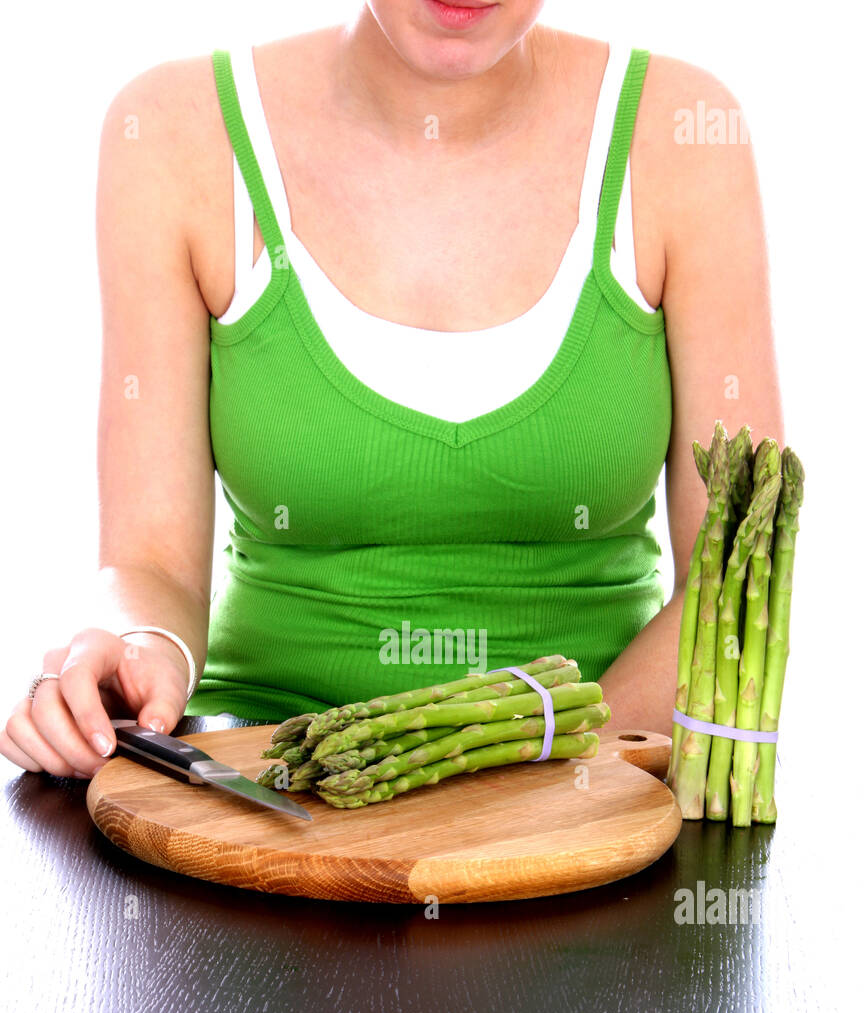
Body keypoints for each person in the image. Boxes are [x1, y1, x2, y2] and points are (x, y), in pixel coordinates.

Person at [0, 0, 783, 780]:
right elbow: (150, 568)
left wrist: (535, 777)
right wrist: (134, 647)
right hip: (270, 775)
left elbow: (738, 585)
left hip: (594, 781)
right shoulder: (171, 133)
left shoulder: (686, 131)